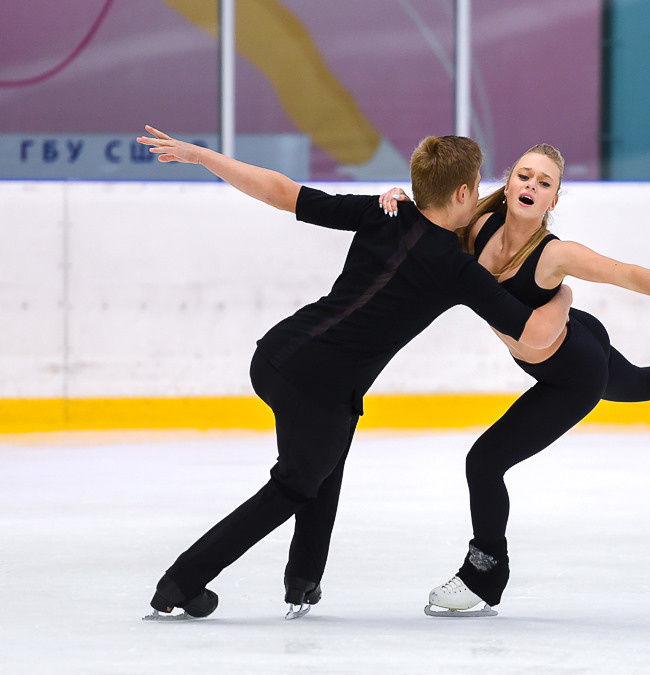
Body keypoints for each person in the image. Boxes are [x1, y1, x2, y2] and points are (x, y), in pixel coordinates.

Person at [135, 126, 573, 620]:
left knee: (327, 449)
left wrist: (201, 156)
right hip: (318, 386)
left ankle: (304, 579)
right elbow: (536, 336)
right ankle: (181, 581)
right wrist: (563, 296)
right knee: (295, 484)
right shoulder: (457, 269)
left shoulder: (381, 210)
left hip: (280, 354)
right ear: (464, 192)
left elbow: (281, 192)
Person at [379, 144, 650, 616]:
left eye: (545, 183)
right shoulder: (478, 225)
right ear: (509, 181)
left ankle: (483, 576)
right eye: (524, 176)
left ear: (553, 201)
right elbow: (430, 216)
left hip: (571, 373)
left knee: (484, 462)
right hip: (575, 338)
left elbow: (625, 274)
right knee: (640, 383)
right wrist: (397, 199)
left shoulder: (555, 254)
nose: (531, 186)